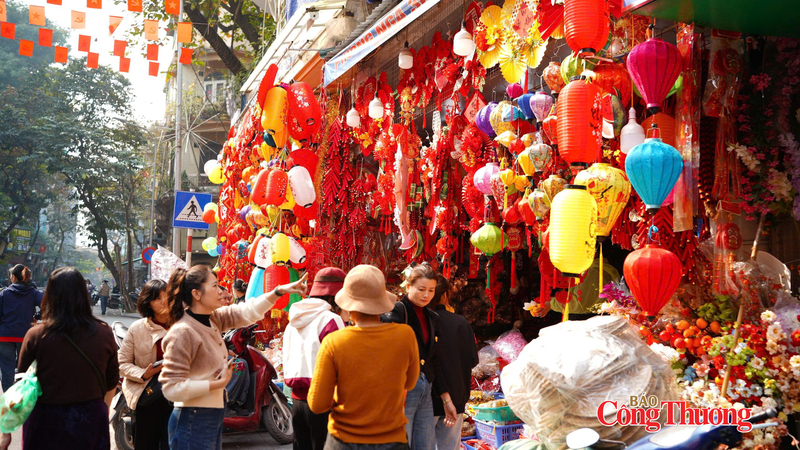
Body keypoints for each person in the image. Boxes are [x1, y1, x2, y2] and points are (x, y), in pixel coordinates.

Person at [159, 264, 308, 450]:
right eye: (214, 286)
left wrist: (278, 291)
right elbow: (171, 388)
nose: (221, 291)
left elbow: (246, 311)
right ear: (197, 294)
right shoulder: (183, 331)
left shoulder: (213, 319)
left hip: (211, 415)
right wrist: (216, 384)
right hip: (193, 418)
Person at [308, 264, 420, 450]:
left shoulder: (335, 342)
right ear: (381, 303)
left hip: (343, 441)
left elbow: (318, 404)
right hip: (392, 440)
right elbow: (409, 384)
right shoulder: (405, 335)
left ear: (348, 305)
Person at [18, 267, 119, 450]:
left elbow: (22, 384)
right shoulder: (104, 332)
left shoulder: (36, 335)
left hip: (44, 423)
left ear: (49, 295)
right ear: (83, 294)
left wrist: (6, 431)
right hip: (89, 421)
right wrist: (99, 411)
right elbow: (112, 380)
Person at [382, 263, 458, 450]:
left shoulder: (431, 318)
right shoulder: (396, 313)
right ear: (408, 287)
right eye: (421, 289)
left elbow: (434, 359)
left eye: (431, 290)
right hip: (403, 389)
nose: (426, 295)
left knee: (425, 444)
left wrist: (446, 399)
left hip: (426, 388)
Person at [284, 267, 348, 450]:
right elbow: (341, 362)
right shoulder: (331, 319)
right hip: (324, 400)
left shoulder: (294, 319)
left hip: (297, 401)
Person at [118, 280, 171, 449]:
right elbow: (122, 363)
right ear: (148, 302)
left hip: (178, 396)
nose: (164, 301)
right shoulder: (137, 328)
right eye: (157, 298)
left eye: (167, 295)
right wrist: (143, 373)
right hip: (148, 396)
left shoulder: (183, 325)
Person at [429, 276, 478, 450]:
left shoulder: (424, 323)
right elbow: (473, 360)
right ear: (445, 295)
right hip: (456, 397)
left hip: (426, 400)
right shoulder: (460, 323)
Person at [0, 264, 42, 392]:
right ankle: (22, 396)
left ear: (13, 277)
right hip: (26, 335)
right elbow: (48, 305)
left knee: (7, 368)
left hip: (5, 335)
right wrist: (37, 316)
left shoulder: (4, 294)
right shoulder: (34, 293)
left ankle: (8, 398)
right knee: (24, 367)